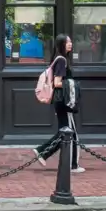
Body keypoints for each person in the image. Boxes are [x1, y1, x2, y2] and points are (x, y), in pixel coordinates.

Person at [34, 34, 84, 173]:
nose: (70, 44)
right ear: (61, 44)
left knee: (66, 131)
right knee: (70, 132)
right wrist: (73, 84)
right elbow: (57, 83)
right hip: (63, 100)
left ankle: (43, 152)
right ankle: (71, 164)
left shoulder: (59, 59)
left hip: (60, 100)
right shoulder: (61, 60)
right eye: (67, 42)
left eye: (71, 41)